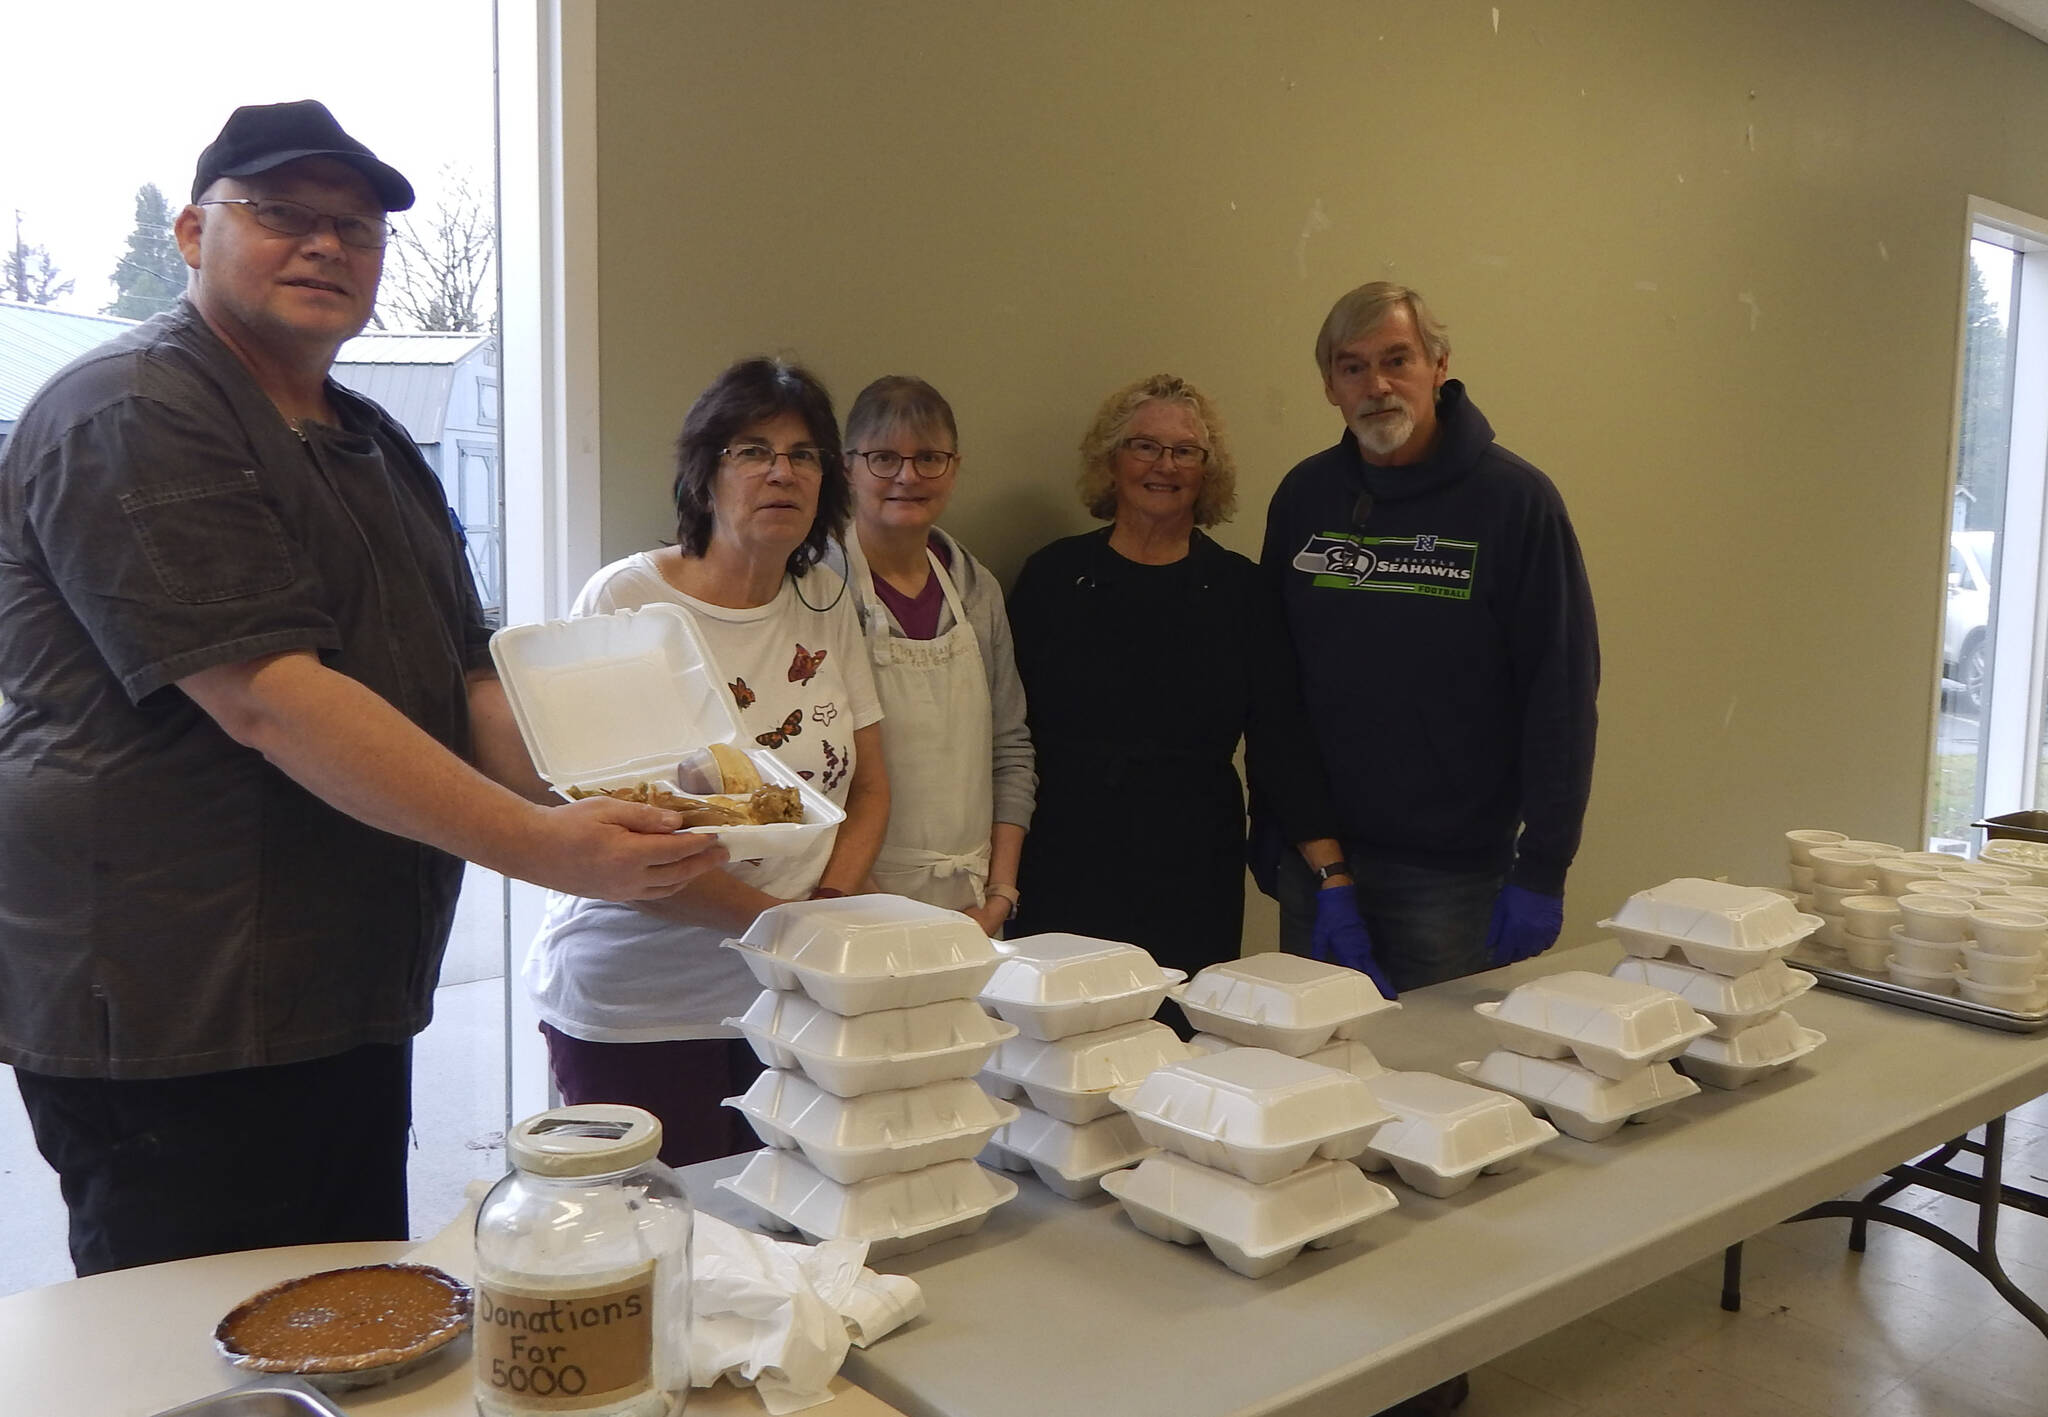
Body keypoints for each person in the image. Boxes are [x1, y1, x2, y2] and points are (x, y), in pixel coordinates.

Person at [0, 100, 722, 1277]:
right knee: (206, 1346)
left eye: (358, 227)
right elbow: (269, 696)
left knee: (345, 1315)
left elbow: (470, 677)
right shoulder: (135, 410)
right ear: (192, 232)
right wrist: (549, 850)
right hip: (178, 1007)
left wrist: (627, 791)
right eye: (283, 213)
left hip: (328, 993)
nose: (329, 244)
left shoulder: (369, 441)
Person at [525, 357, 889, 1166]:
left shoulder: (823, 607)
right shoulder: (627, 604)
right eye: (752, 450)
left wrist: (825, 908)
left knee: (778, 1233)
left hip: (788, 996)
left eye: (803, 455)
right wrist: (788, 929)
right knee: (661, 1241)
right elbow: (622, 835)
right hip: (642, 1002)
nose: (780, 473)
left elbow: (869, 785)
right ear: (704, 475)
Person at [1260, 281, 1599, 997]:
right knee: (1313, 1083)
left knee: (1440, 1087)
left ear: (1438, 366)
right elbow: (1276, 688)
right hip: (1322, 869)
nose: (1377, 385)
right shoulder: (1304, 499)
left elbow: (1560, 696)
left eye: (1397, 359)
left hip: (1451, 879)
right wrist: (1310, 858)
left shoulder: (1515, 503)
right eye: (1352, 367)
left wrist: (1543, 864)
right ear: (1329, 385)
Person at [1008, 374, 1357, 987]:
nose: (1163, 465)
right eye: (1144, 446)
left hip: (1191, 860)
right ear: (1111, 461)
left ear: (1206, 472)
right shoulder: (1054, 577)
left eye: (1185, 451)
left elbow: (1281, 740)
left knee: (1176, 1043)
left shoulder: (1241, 592)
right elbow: (1006, 736)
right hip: (1065, 850)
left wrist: (1331, 873)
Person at [833, 376, 1034, 934]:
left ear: (955, 466)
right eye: (882, 458)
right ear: (847, 466)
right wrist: (866, 898)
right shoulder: (818, 588)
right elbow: (807, 767)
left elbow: (1010, 746)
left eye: (929, 458)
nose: (908, 476)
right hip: (850, 901)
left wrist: (999, 893)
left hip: (972, 904)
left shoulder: (977, 591)